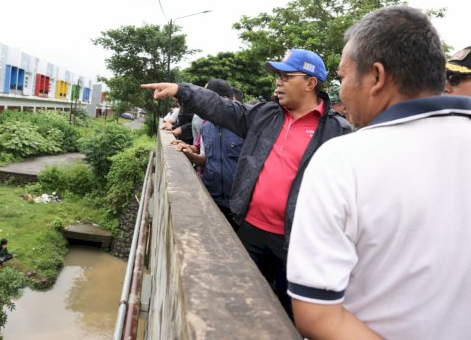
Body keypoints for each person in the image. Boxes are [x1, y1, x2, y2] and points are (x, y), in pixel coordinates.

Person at [286, 5, 471, 339]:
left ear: (376, 77)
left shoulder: (343, 160)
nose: (341, 91)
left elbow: (317, 315)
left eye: (343, 77)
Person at [142, 49, 352, 316]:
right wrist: (180, 90)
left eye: (287, 76)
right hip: (250, 230)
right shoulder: (264, 115)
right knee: (240, 307)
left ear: (311, 83)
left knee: (290, 316)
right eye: (278, 76)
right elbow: (222, 107)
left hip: (298, 242)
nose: (278, 82)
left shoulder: (337, 132)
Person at [175, 79, 244, 227]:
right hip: (211, 197)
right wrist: (189, 152)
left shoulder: (244, 127)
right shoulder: (205, 128)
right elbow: (206, 158)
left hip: (238, 205)